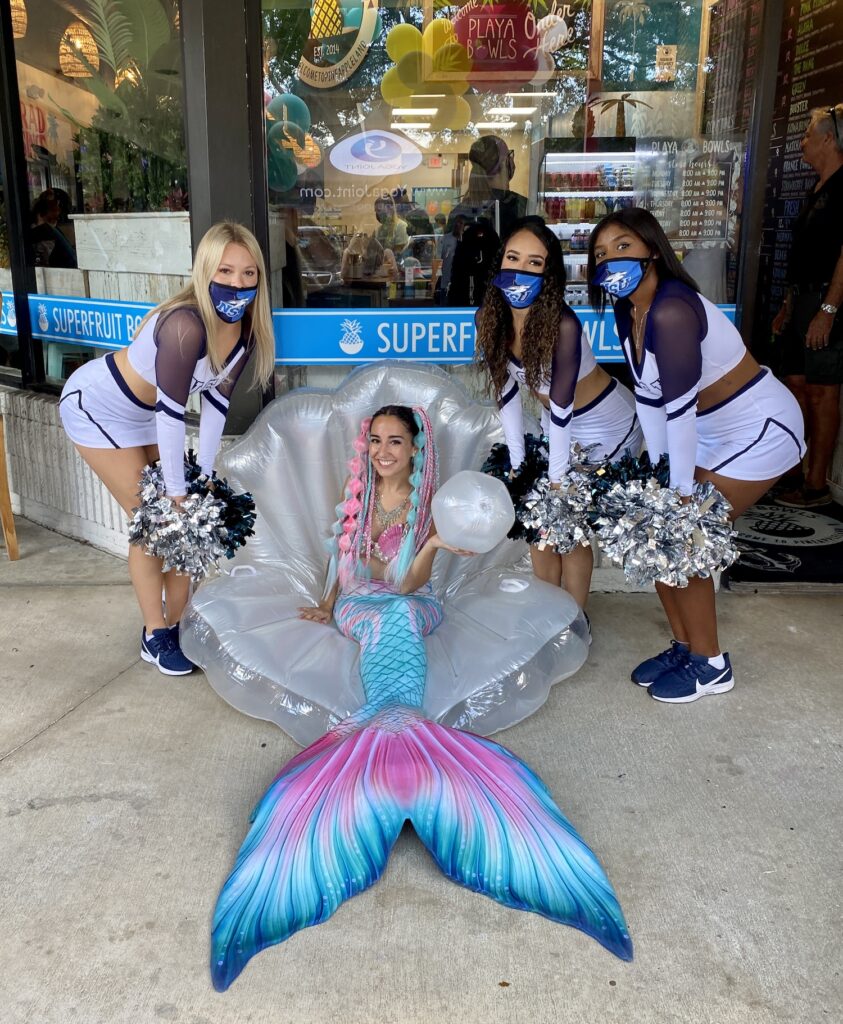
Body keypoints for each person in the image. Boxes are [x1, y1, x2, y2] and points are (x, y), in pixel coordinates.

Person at [209, 404, 632, 990]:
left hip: (410, 602)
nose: (384, 452)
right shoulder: (357, 496)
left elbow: (406, 583)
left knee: (404, 613)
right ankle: (399, 731)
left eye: (396, 442)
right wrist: (331, 603)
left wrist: (430, 543)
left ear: (414, 449)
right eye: (376, 441)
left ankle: (392, 729)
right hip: (362, 605)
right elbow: (347, 565)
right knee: (383, 618)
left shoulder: (428, 505)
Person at [588, 207, 805, 703]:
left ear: (652, 248)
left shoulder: (671, 309)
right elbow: (649, 397)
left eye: (623, 246)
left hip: (758, 425)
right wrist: (657, 474)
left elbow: (680, 409)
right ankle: (684, 646)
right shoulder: (630, 310)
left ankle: (710, 664)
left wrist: (678, 491)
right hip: (703, 429)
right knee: (653, 528)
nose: (611, 260)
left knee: (682, 531)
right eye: (600, 253)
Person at [58, 222, 275, 675]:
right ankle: (155, 634)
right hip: (100, 406)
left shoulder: (246, 331)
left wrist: (205, 479)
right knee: (157, 520)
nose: (237, 283)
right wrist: (176, 491)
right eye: (226, 271)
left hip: (149, 415)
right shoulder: (184, 324)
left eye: (248, 274)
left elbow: (216, 403)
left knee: (192, 522)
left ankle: (178, 625)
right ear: (204, 271)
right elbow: (172, 412)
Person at [476, 217, 643, 613]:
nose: (520, 270)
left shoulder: (564, 325)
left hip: (608, 424)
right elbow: (508, 394)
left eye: (534, 263)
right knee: (541, 527)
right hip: (558, 425)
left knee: (570, 525)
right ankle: (546, 612)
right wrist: (518, 465)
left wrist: (555, 482)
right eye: (513, 258)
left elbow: (564, 406)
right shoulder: (489, 318)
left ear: (548, 275)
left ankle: (574, 620)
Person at [772, 103, 843, 508]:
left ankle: (816, 485)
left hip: (824, 303)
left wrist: (828, 310)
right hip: (802, 299)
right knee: (795, 386)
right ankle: (793, 472)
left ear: (828, 140)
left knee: (821, 391)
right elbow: (803, 254)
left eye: (807, 136)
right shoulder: (815, 188)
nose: (802, 143)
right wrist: (788, 304)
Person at [448, 134, 527, 239]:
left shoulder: (459, 212)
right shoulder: (522, 207)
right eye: (509, 155)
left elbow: (449, 252)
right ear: (504, 163)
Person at [29, 192, 76, 268]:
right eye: (53, 211)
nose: (57, 215)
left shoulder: (52, 230)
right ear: (41, 214)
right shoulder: (45, 231)